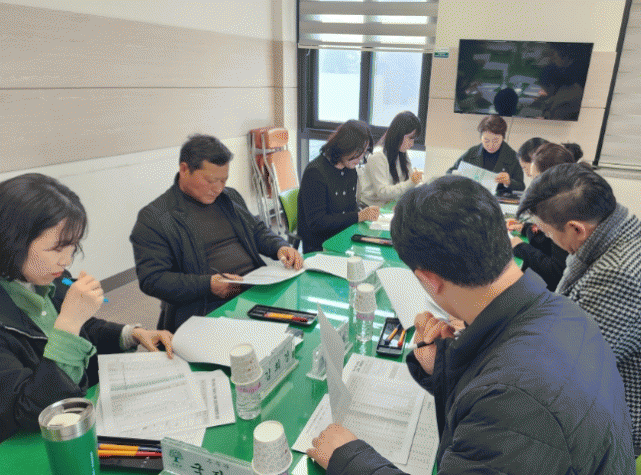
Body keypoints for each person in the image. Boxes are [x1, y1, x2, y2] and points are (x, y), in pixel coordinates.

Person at [307, 176, 637, 475]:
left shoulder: (515, 399)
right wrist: (444, 364)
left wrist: (347, 457)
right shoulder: (563, 311)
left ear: (428, 280)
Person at [517, 163, 641, 454]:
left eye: (548, 234)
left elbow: (560, 373)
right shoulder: (630, 236)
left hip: (621, 437)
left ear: (576, 229)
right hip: (630, 399)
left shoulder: (618, 275)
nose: (550, 240)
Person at [0, 173, 174, 442]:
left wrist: (131, 334)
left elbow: (84, 328)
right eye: (56, 248)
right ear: (12, 241)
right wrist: (69, 323)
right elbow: (25, 411)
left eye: (72, 246)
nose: (66, 260)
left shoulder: (48, 278)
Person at [131, 134, 303, 333]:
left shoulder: (230, 197)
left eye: (224, 180)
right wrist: (208, 285)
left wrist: (280, 247)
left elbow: (256, 230)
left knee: (298, 323)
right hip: (207, 304)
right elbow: (152, 280)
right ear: (184, 169)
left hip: (254, 287)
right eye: (211, 180)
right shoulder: (156, 218)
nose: (219, 189)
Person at [298, 120, 380, 253]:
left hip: (344, 238)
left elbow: (350, 208)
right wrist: (358, 216)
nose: (360, 158)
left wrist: (363, 215)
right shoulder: (315, 173)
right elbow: (318, 223)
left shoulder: (350, 170)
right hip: (320, 246)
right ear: (344, 146)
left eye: (364, 152)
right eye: (358, 151)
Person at [509, 142, 579, 290]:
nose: (533, 185)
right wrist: (526, 228)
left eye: (536, 179)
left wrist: (520, 247)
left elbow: (556, 272)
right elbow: (546, 240)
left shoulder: (564, 212)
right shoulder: (560, 199)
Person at [358, 111, 423, 207]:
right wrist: (411, 182)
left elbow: (409, 181)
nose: (412, 144)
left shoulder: (402, 153)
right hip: (371, 208)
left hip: (390, 205)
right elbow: (382, 193)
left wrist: (416, 183)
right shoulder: (377, 156)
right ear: (399, 134)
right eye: (410, 138)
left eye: (414, 139)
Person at [446, 115, 525, 194]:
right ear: (481, 137)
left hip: (499, 199)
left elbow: (521, 186)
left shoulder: (512, 156)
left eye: (496, 141)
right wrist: (458, 176)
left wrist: (508, 182)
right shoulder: (472, 152)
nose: (491, 145)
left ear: (503, 137)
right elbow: (449, 173)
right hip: (473, 196)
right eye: (486, 140)